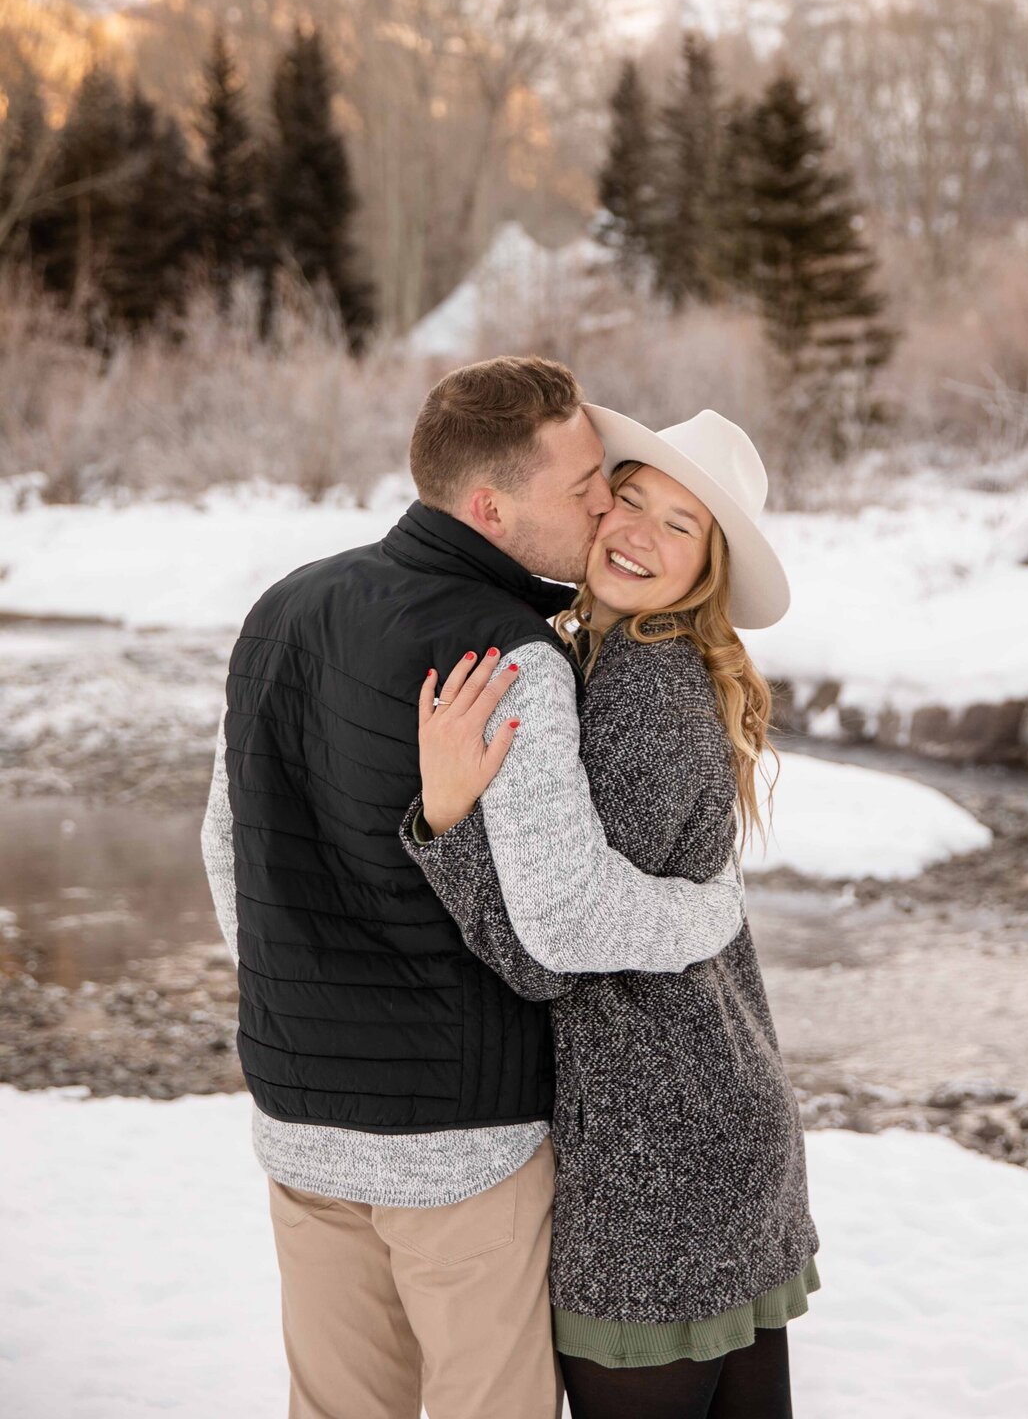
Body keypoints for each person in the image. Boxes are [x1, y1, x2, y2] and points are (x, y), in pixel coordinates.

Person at [200, 357, 746, 1419]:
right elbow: (566, 918)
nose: (604, 505)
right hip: (465, 1140)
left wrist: (308, 1007)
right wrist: (709, 912)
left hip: (296, 1117)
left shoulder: (280, 608)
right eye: (584, 484)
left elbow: (226, 851)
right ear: (491, 505)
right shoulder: (511, 656)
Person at [408, 406, 821, 1419]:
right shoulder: (610, 658)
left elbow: (553, 951)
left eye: (679, 526)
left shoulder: (638, 697)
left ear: (707, 571)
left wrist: (445, 818)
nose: (638, 533)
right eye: (629, 499)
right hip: (715, 1121)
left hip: (657, 1164)